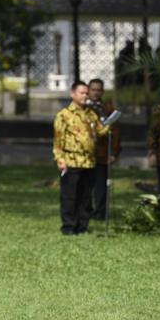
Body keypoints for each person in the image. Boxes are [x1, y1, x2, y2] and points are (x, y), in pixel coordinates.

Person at [53, 81, 110, 235]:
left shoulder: (91, 114)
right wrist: (60, 159)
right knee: (70, 197)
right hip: (71, 161)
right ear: (73, 94)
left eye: (86, 93)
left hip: (89, 162)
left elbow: (101, 131)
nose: (85, 96)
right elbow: (58, 140)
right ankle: (69, 227)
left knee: (85, 197)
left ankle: (82, 226)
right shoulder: (64, 115)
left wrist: (109, 120)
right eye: (82, 93)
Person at [88, 78, 121, 220]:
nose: (95, 93)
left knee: (101, 187)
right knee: (86, 186)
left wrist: (114, 152)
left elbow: (116, 132)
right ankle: (86, 212)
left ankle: (100, 213)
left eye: (98, 90)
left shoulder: (107, 108)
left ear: (102, 91)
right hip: (85, 155)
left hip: (102, 154)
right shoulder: (83, 107)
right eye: (93, 90)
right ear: (88, 90)